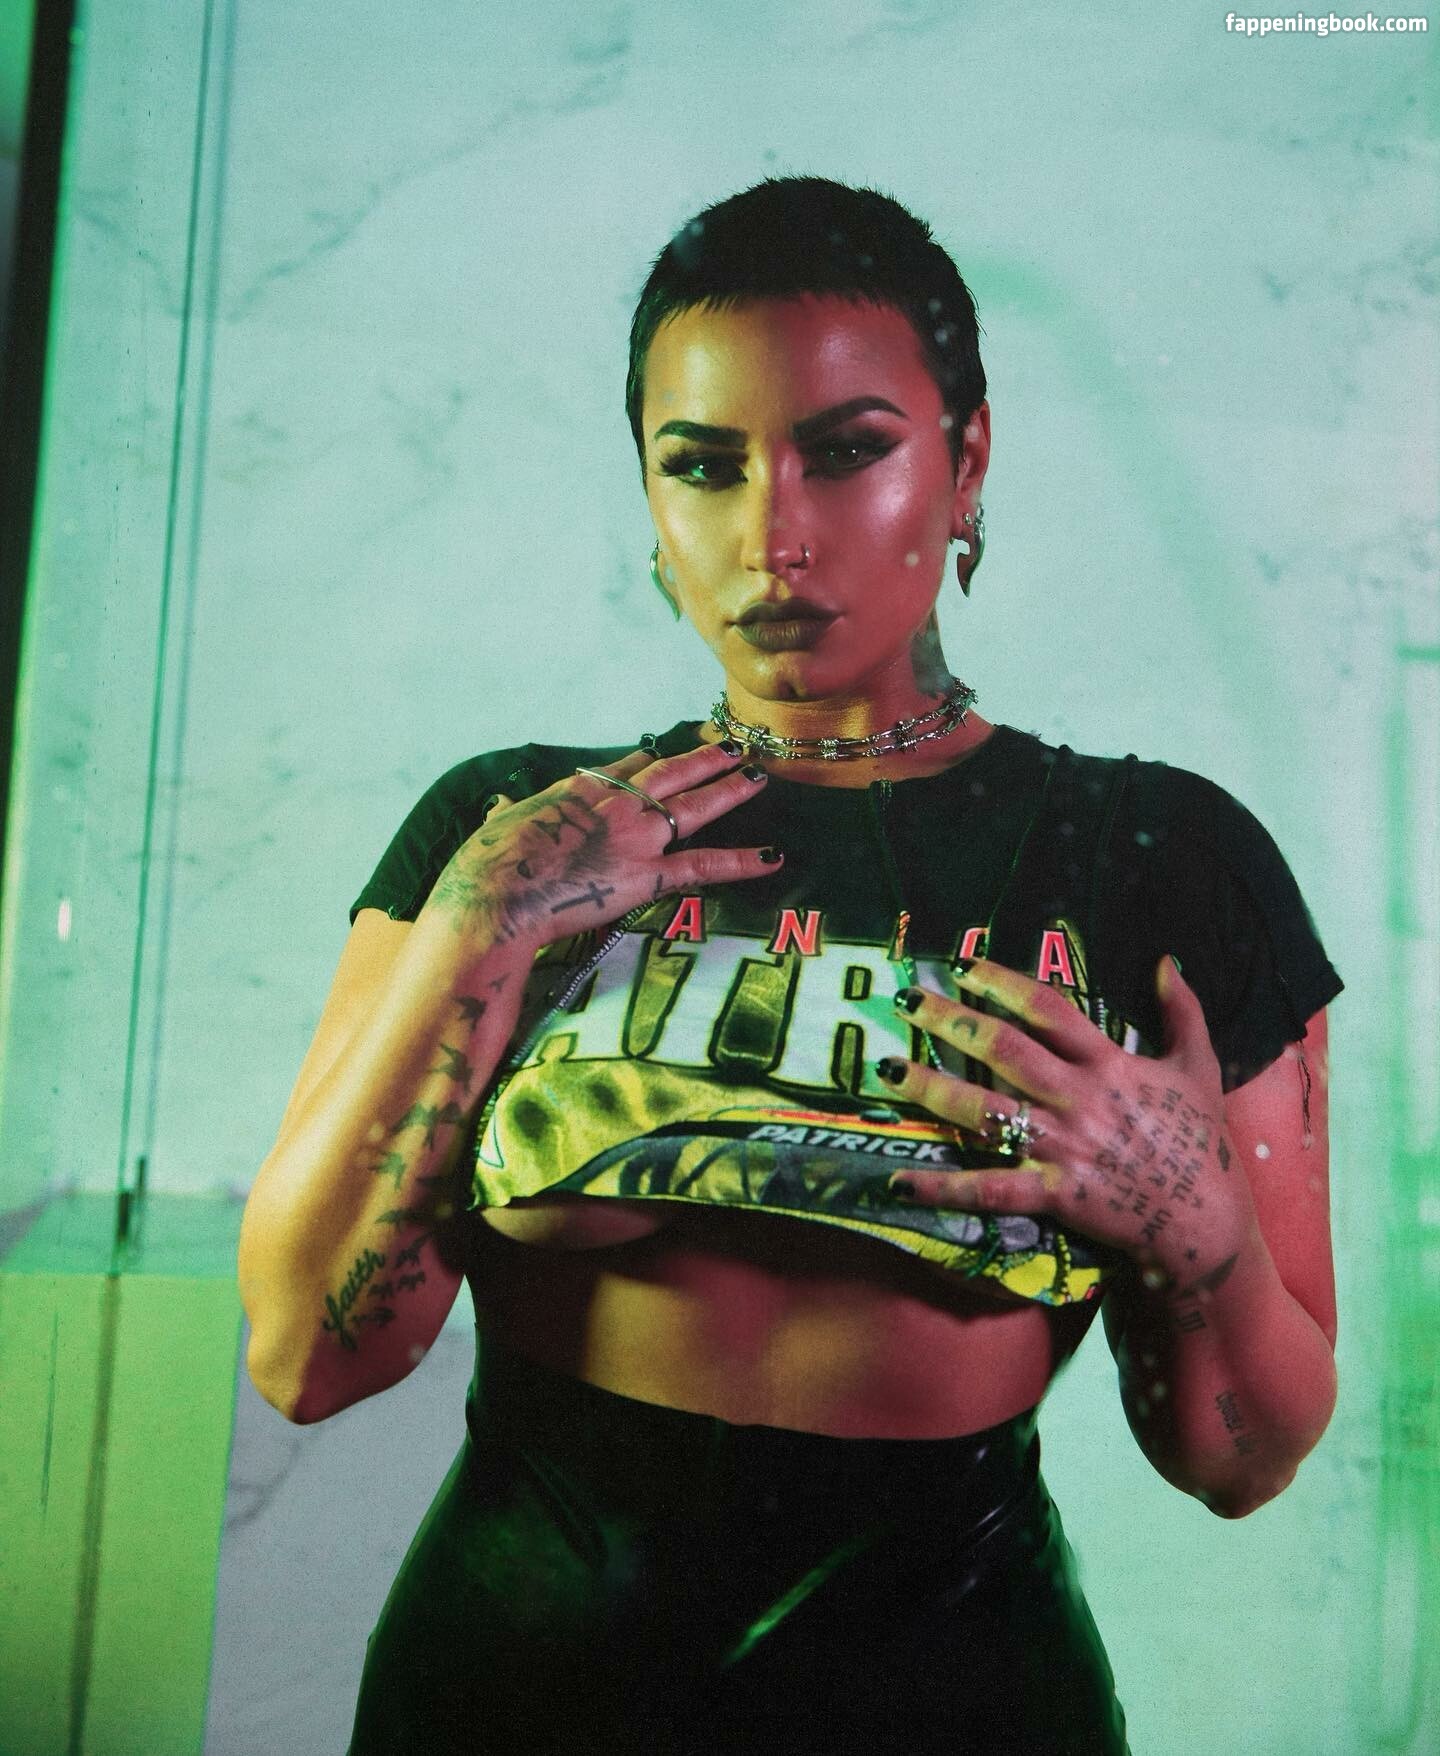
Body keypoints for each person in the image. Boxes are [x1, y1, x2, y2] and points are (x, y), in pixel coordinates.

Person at [237, 176, 1343, 1756]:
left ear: (965, 463)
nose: (773, 537)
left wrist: (1196, 1226)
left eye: (846, 451)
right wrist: (476, 937)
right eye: (703, 465)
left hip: (956, 1696)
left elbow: (1245, 1460)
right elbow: (307, 1353)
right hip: (511, 1686)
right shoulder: (510, 829)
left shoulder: (1159, 860)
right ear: (648, 495)